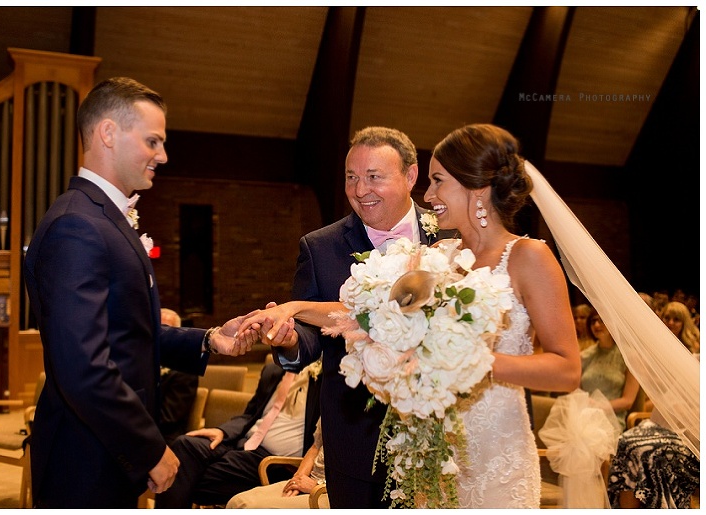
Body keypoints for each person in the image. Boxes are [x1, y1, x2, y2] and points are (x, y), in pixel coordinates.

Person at [240, 123, 582, 508]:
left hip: (494, 448)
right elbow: (370, 312)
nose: (430, 195)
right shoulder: (443, 257)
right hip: (426, 455)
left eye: (438, 181)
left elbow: (568, 369)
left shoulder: (529, 256)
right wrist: (295, 309)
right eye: (352, 177)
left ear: (476, 187)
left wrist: (467, 361)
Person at [23, 77, 259, 508]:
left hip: (105, 449)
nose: (162, 155)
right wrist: (149, 448)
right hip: (85, 458)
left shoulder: (101, 219)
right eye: (153, 141)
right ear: (108, 133)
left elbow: (130, 332)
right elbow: (83, 366)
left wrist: (209, 339)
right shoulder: (77, 226)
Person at [239, 127, 452, 508]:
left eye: (374, 176)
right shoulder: (320, 247)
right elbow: (307, 336)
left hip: (442, 434)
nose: (360, 189)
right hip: (356, 439)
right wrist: (289, 340)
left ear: (410, 176)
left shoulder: (449, 235)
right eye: (351, 177)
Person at [153, 359, 322, 508]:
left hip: (274, 461)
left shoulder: (323, 379)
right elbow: (249, 414)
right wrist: (223, 431)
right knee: (185, 444)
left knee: (181, 475)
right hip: (244, 441)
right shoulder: (273, 370)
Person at [607, 304, 700, 508]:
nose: (671, 323)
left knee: (650, 452)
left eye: (676, 319)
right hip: (669, 420)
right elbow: (670, 397)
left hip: (693, 432)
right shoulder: (668, 354)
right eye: (667, 317)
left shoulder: (693, 355)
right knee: (626, 442)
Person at [226, 419, 327, 509]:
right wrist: (298, 478)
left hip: (329, 493)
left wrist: (317, 486)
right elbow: (316, 447)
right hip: (310, 480)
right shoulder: (329, 407)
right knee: (236, 502)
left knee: (251, 508)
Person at [580, 308, 640, 430]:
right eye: (593, 321)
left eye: (601, 320)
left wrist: (598, 407)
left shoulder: (629, 357)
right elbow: (576, 391)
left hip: (611, 419)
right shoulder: (584, 356)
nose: (596, 325)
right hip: (583, 415)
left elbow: (628, 401)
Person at [158, 308, 201, 445]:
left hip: (164, 437)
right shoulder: (144, 360)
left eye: (165, 330)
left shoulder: (185, 367)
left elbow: (168, 417)